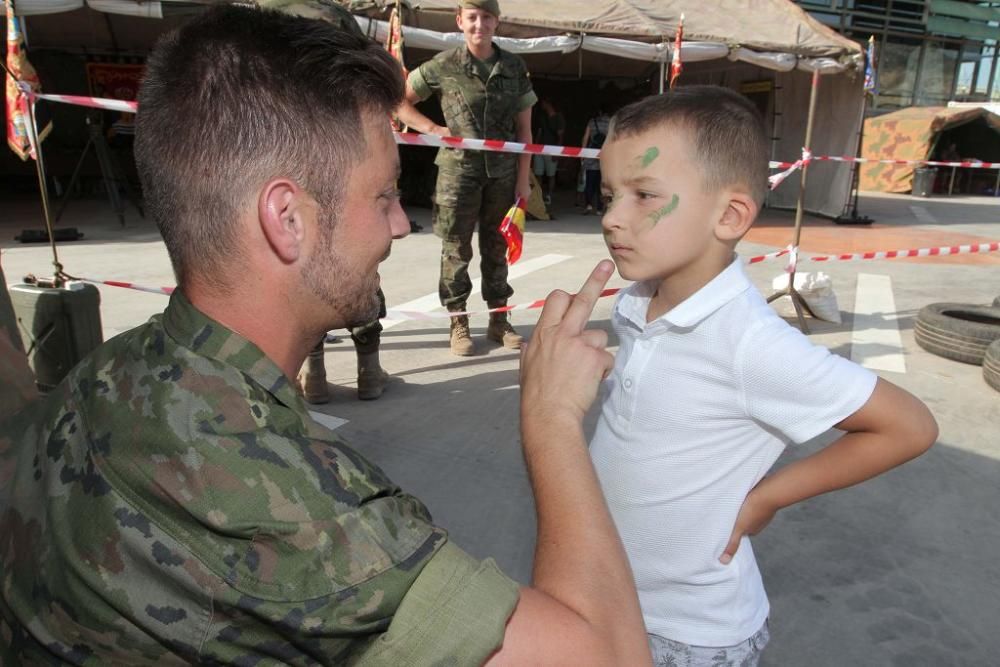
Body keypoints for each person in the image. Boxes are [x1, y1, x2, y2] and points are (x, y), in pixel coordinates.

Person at [0, 6, 652, 665]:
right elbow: (611, 656)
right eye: (383, 195)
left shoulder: (100, 376)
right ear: (288, 219)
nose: (399, 224)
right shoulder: (293, 511)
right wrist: (552, 421)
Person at [591, 86, 938, 666]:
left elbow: (910, 426)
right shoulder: (636, 302)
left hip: (689, 634)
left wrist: (770, 496)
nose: (611, 217)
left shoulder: (750, 343)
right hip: (610, 598)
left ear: (729, 215)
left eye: (644, 195)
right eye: (609, 195)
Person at [396, 0, 534, 357]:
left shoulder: (513, 67)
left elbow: (525, 131)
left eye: (486, 18)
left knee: (497, 248)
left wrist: (524, 180)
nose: (479, 25)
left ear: (497, 22)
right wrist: (430, 127)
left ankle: (499, 319)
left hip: (502, 175)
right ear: (460, 21)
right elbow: (398, 101)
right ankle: (458, 321)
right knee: (456, 249)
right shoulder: (444, 65)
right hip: (457, 174)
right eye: (472, 17)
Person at [533, 98, 565, 206]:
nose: (542, 104)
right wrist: (535, 148)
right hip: (540, 148)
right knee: (538, 174)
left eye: (543, 102)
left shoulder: (558, 118)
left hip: (552, 149)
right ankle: (538, 195)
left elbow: (560, 136)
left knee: (551, 175)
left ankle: (549, 196)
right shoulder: (542, 117)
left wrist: (557, 151)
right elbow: (539, 132)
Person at [580, 105, 610, 215]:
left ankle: (588, 205)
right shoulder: (610, 122)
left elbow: (585, 137)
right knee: (601, 183)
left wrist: (582, 153)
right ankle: (599, 208)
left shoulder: (591, 122)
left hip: (590, 154)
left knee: (589, 182)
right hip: (604, 155)